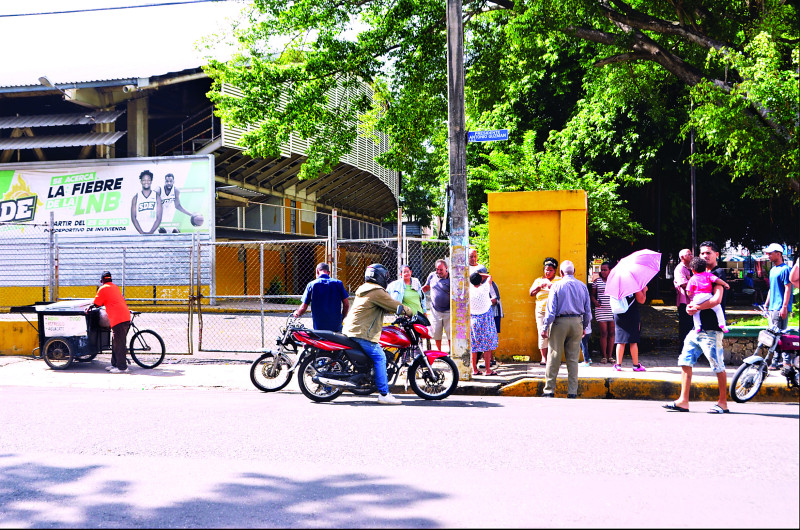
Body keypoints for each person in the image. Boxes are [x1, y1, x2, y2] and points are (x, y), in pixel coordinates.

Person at [664, 240, 730, 414]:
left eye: (708, 253)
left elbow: (717, 300)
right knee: (685, 360)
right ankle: (683, 401)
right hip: (697, 329)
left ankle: (723, 402)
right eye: (702, 253)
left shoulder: (718, 273)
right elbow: (692, 296)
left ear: (717, 254)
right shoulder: (698, 275)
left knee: (717, 365)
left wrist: (697, 307)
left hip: (712, 329)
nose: (705, 256)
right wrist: (689, 306)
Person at [342, 263, 413, 405]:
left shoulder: (364, 289)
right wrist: (409, 311)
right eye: (384, 276)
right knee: (380, 357)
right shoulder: (377, 291)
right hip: (362, 333)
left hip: (352, 329)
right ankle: (384, 394)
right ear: (378, 276)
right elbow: (393, 305)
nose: (386, 278)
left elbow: (378, 307)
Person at [539, 260, 592, 398]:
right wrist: (584, 326)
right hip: (577, 322)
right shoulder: (582, 286)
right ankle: (572, 391)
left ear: (561, 272)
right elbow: (587, 311)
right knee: (573, 359)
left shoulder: (556, 286)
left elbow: (550, 311)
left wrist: (545, 327)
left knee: (554, 356)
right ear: (573, 271)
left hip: (559, 322)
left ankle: (549, 390)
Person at [88, 271, 132, 373]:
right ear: (111, 279)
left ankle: (122, 367)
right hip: (124, 316)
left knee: (119, 343)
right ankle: (115, 364)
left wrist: (89, 307)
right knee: (116, 342)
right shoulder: (115, 287)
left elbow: (97, 303)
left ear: (101, 281)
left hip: (118, 319)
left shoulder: (103, 288)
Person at [293, 263, 350, 332]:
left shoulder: (312, 285)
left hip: (319, 327)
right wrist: (342, 318)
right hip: (336, 326)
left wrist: (297, 313)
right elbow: (346, 304)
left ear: (317, 271)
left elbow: (303, 307)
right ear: (329, 273)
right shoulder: (338, 283)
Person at [763, 243, 793, 370]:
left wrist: (784, 307)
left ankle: (781, 362)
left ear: (778, 254)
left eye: (770, 253)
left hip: (780, 307)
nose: (768, 255)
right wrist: (766, 303)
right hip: (772, 308)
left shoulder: (785, 269)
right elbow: (771, 288)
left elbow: (788, 288)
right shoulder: (773, 270)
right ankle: (780, 361)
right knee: (775, 335)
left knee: (779, 335)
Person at [686, 256, 731, 333]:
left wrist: (691, 296)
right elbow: (717, 280)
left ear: (693, 270)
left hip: (697, 297)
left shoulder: (692, 278)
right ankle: (722, 324)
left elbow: (688, 291)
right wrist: (725, 284)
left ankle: (697, 326)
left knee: (696, 312)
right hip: (708, 295)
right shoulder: (708, 275)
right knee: (718, 309)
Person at [529, 257, 560, 366]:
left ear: (555, 271)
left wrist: (552, 287)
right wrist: (539, 287)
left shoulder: (559, 280)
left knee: (555, 334)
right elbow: (531, 293)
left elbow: (562, 294)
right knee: (542, 333)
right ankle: (544, 358)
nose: (548, 272)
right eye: (546, 270)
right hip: (541, 311)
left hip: (555, 312)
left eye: (550, 270)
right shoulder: (538, 280)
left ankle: (553, 358)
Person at [469, 271, 498, 376]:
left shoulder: (469, 290)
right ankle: (488, 370)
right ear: (480, 279)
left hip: (473, 320)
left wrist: (473, 275)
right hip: (486, 320)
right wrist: (480, 274)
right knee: (487, 346)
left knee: (474, 346)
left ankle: (474, 369)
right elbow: (490, 276)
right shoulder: (485, 288)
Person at [613, 286, 648, 372]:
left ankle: (618, 365)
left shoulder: (616, 284)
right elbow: (642, 300)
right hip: (632, 313)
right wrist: (644, 290)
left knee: (620, 340)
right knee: (633, 340)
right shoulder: (633, 284)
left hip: (619, 313)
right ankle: (636, 365)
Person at [421, 259, 450, 350]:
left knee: (450, 334)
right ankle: (439, 353)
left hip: (449, 311)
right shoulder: (432, 276)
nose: (438, 272)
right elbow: (426, 287)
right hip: (435, 311)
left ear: (446, 268)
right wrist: (416, 292)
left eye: (441, 270)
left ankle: (451, 353)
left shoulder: (452, 278)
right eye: (437, 269)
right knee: (437, 334)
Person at [591, 261, 615, 363]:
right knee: (604, 333)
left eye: (605, 270)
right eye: (602, 270)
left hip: (613, 310)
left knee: (612, 333)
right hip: (601, 310)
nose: (603, 272)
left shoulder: (615, 281)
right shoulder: (597, 282)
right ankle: (604, 356)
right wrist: (595, 302)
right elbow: (592, 295)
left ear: (610, 270)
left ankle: (610, 356)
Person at [131, 170, 162, 235]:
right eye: (144, 180)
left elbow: (159, 218)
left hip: (154, 233)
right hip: (139, 233)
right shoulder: (136, 198)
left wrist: (151, 232)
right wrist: (141, 232)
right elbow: (133, 218)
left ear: (151, 181)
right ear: (141, 181)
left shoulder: (157, 197)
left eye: (148, 180)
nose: (146, 182)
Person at [673, 248, 694, 344]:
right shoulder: (680, 269)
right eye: (688, 254)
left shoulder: (691, 268)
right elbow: (683, 284)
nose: (691, 256)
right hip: (684, 301)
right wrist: (694, 282)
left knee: (693, 326)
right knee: (685, 326)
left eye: (691, 254)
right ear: (682, 257)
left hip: (693, 301)